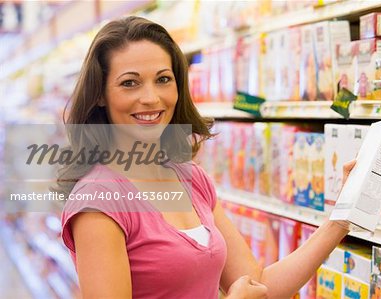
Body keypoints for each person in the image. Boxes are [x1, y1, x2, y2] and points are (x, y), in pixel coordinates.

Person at [58, 16, 355, 299]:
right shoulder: (98, 202)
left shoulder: (190, 178)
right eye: (130, 83)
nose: (151, 97)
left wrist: (338, 222)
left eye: (163, 79)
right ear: (100, 94)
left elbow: (259, 286)